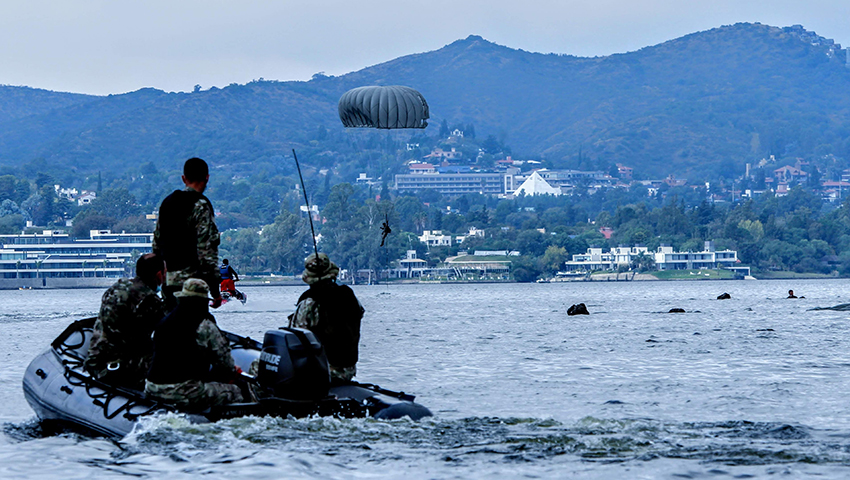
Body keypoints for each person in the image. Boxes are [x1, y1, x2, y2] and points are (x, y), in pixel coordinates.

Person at [145, 279, 244, 410]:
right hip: (183, 391)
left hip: (152, 387)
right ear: (203, 302)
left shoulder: (163, 323)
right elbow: (225, 365)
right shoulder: (205, 325)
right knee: (235, 391)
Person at [85, 253, 166, 390]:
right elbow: (166, 331)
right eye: (165, 273)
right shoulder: (149, 300)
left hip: (95, 359)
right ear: (159, 275)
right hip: (118, 367)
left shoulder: (118, 287)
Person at [153, 157, 222, 310]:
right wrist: (215, 292)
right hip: (193, 285)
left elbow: (156, 245)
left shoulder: (167, 203)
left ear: (184, 178)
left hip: (169, 282)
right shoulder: (201, 205)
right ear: (207, 178)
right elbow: (206, 252)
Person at [288, 253, 364, 384]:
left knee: (257, 367)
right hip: (349, 369)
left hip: (323, 371)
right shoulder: (348, 294)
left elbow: (295, 337)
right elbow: (359, 313)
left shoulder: (309, 303)